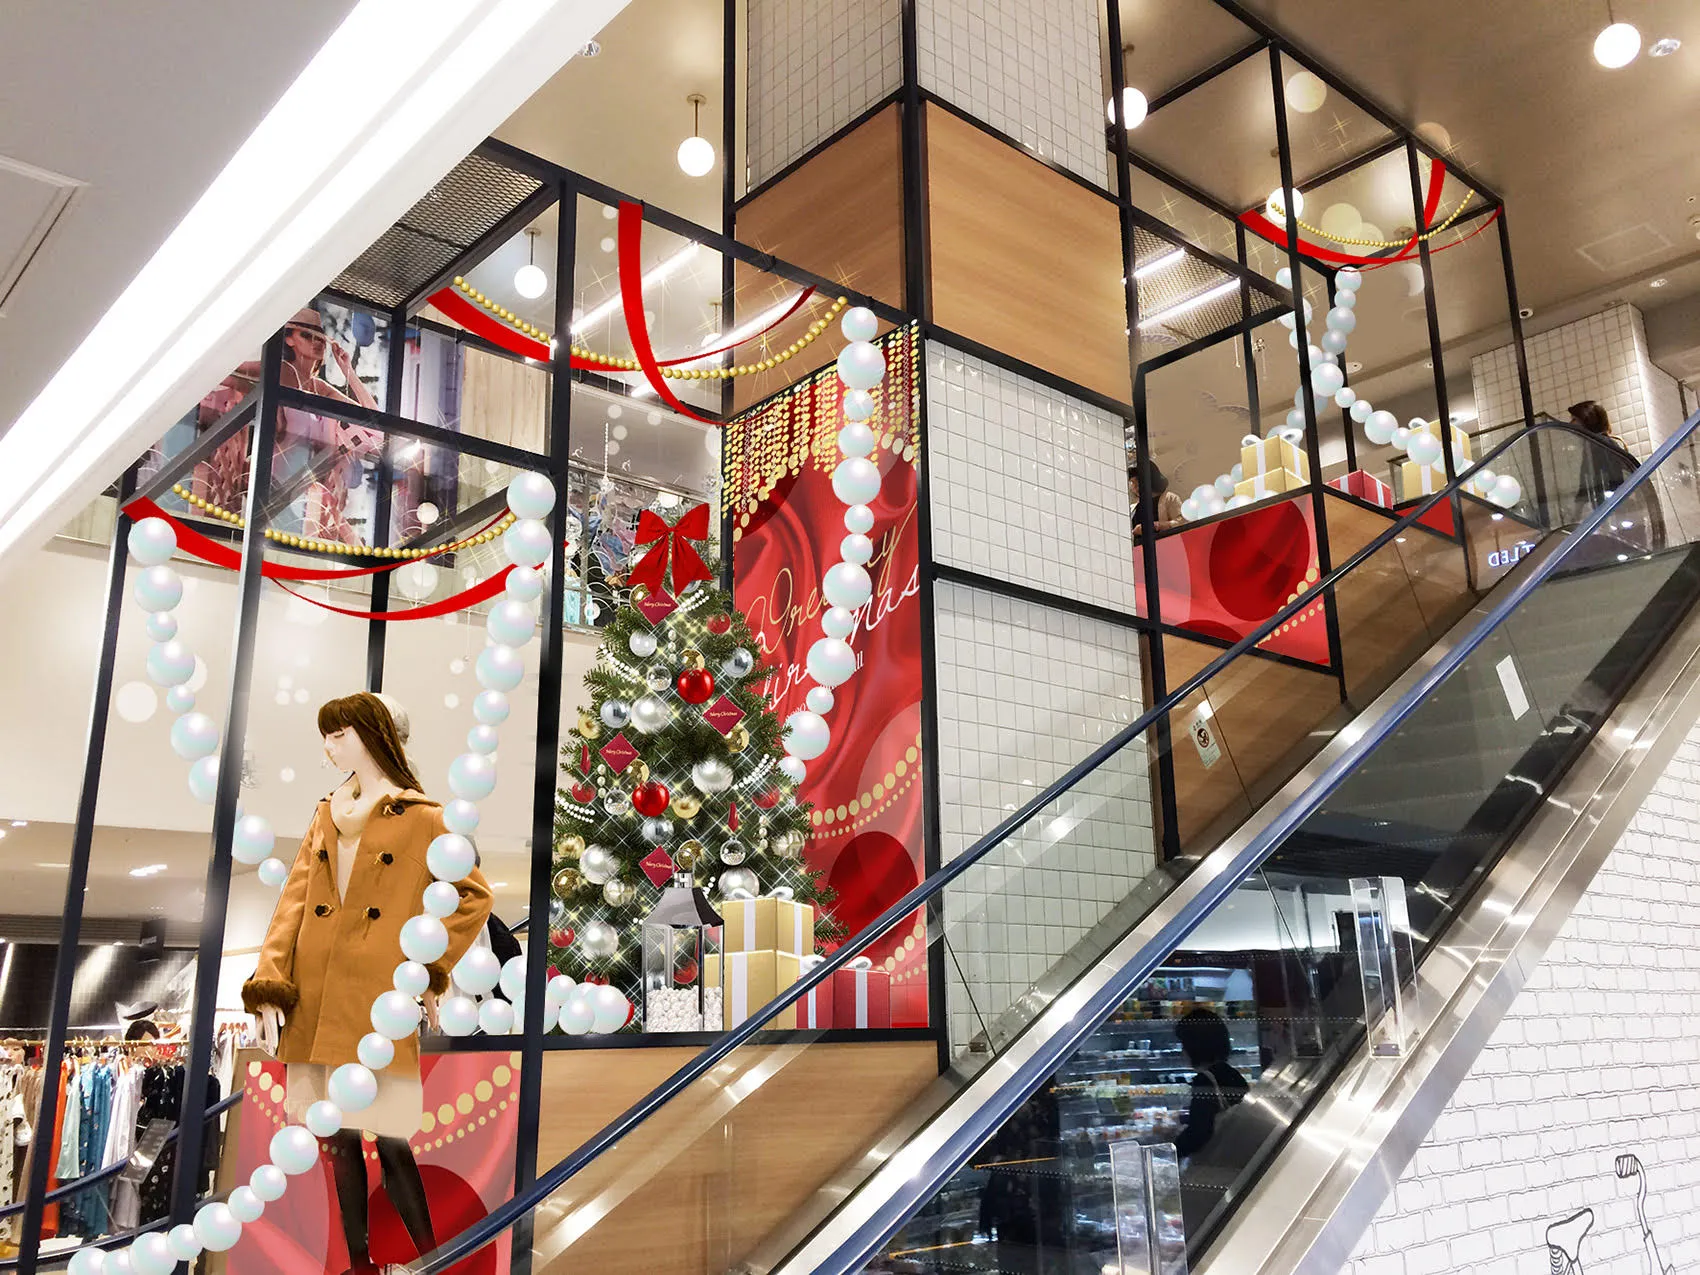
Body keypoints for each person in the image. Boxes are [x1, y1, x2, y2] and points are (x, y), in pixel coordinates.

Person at [1173, 1008, 1249, 1157]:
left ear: (1194, 1046)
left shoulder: (1205, 1081)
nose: (1182, 1051)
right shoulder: (1231, 1073)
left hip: (1217, 1158)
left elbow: (1199, 1132)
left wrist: (1171, 1151)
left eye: (1183, 1044)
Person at [1130, 461, 1185, 537]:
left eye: (1138, 480)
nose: (1135, 486)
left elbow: (1182, 522)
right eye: (1132, 482)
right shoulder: (1132, 508)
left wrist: (1156, 526)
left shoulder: (1169, 498)